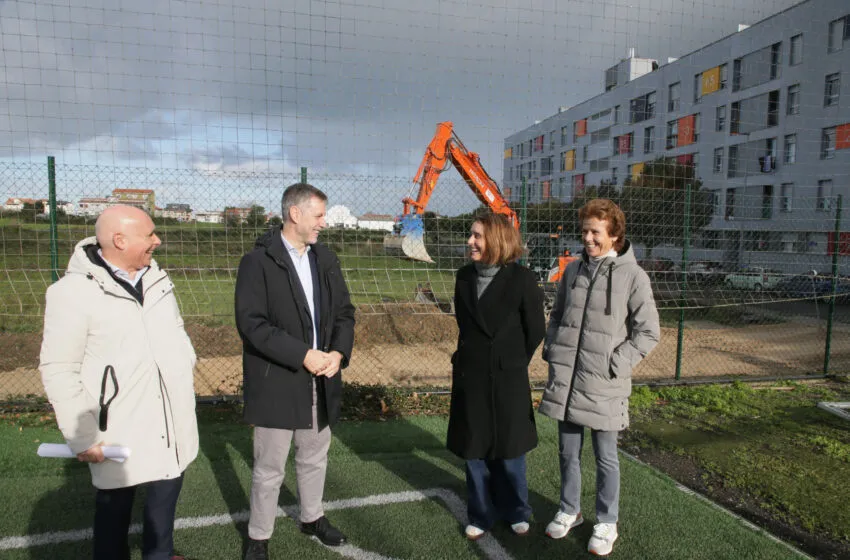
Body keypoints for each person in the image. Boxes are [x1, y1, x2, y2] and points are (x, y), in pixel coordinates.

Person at [39, 205, 198, 560]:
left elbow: (176, 336)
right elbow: (58, 367)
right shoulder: (71, 293)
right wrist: (83, 437)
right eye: (149, 234)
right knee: (113, 519)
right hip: (117, 431)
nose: (157, 240)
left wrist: (185, 363)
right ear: (119, 239)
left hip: (172, 424)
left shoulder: (158, 280)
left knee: (162, 517)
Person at [236, 182, 355, 560]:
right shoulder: (258, 261)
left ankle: (312, 517)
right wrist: (303, 355)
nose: (323, 223)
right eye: (319, 215)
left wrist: (338, 352)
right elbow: (252, 324)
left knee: (314, 456)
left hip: (322, 378)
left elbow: (345, 314)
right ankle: (258, 536)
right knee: (270, 466)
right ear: (295, 214)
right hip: (277, 380)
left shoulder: (326, 258)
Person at [539, 199, 660, 556]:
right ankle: (569, 510)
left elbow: (648, 332)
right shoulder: (573, 270)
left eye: (596, 232)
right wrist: (553, 348)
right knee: (567, 451)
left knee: (606, 456)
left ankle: (607, 521)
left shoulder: (633, 276)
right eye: (585, 231)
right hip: (568, 380)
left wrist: (616, 363)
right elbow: (558, 316)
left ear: (615, 235)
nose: (588, 238)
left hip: (605, 382)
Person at [446, 213, 545, 541]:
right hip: (471, 376)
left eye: (477, 237)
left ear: (498, 241)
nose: (470, 242)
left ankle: (517, 510)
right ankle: (481, 513)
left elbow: (535, 331)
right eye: (471, 236)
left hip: (508, 378)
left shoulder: (523, 280)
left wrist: (511, 361)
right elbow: (465, 325)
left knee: (509, 449)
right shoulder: (463, 278)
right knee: (475, 448)